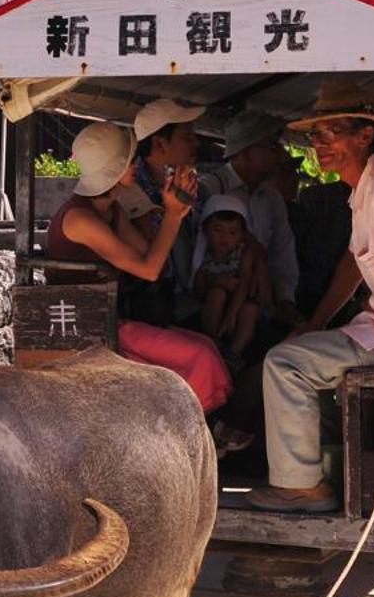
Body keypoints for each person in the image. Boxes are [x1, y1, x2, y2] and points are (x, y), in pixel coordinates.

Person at [250, 81, 374, 513]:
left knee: (283, 364)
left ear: (365, 136)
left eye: (332, 133)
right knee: (296, 349)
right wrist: (315, 323)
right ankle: (328, 466)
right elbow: (352, 261)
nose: (321, 145)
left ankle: (302, 485)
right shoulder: (367, 186)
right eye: (315, 136)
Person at [45, 122, 233, 414]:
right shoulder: (80, 218)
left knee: (206, 345)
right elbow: (149, 270)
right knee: (199, 356)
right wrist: (173, 215)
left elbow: (148, 253)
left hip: (113, 318)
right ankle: (189, 430)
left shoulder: (111, 208)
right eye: (129, 161)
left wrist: (165, 212)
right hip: (91, 329)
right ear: (114, 169)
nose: (136, 165)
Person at [196, 111, 301, 326]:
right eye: (272, 147)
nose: (280, 154)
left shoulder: (272, 198)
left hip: (257, 307)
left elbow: (283, 251)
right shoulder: (210, 189)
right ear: (245, 152)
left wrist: (285, 300)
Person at [111, 98, 209, 326]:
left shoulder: (184, 185)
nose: (195, 143)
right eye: (187, 136)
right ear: (161, 144)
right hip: (153, 312)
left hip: (189, 301)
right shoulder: (129, 193)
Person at [194, 194, 271, 367]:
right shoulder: (203, 257)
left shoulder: (245, 254)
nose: (224, 238)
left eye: (232, 232)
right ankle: (214, 343)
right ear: (205, 230)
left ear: (243, 235)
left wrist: (231, 315)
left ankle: (234, 354)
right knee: (217, 294)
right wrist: (217, 283)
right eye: (218, 230)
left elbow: (244, 284)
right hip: (215, 305)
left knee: (250, 309)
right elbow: (198, 290)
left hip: (242, 304)